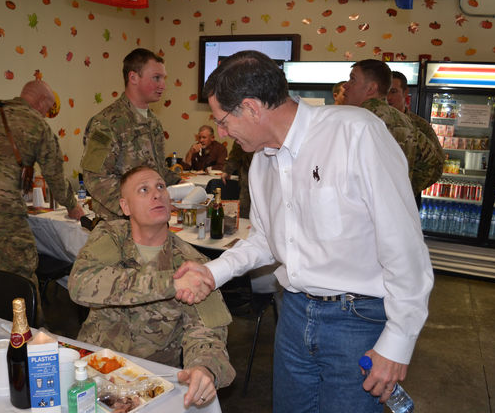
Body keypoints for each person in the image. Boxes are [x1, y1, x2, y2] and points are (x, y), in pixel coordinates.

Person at [173, 51, 434, 412]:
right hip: (294, 314)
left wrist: (398, 340)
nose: (220, 133)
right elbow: (265, 241)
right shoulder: (261, 162)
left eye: (221, 121)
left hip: (357, 321)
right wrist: (211, 272)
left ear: (250, 108)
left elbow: (404, 245)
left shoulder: (355, 133)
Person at [68, 165, 235, 407]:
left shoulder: (192, 264)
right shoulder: (111, 236)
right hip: (92, 371)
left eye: (160, 187)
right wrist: (170, 283)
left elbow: (207, 331)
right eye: (143, 190)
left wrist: (204, 368)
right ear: (125, 207)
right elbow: (80, 283)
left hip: (150, 382)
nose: (156, 194)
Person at [0, 80, 85, 286]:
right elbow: (54, 175)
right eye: (48, 108)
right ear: (41, 101)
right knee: (20, 271)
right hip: (1, 207)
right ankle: (26, 319)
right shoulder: (37, 124)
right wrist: (72, 207)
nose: (46, 114)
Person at [81, 48, 180, 220]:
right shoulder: (105, 123)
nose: (163, 85)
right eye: (156, 78)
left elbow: (157, 171)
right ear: (133, 77)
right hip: (118, 225)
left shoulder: (153, 122)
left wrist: (182, 185)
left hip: (151, 222)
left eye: (164, 78)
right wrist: (136, 207)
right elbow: (95, 179)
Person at [342, 59, 441, 195]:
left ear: (371, 88)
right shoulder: (406, 120)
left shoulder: (358, 119)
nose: (345, 86)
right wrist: (405, 190)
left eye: (352, 79)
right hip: (395, 208)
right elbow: (434, 162)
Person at [388, 70, 444, 197]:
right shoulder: (375, 121)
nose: (388, 98)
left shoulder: (419, 125)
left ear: (405, 92)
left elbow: (437, 164)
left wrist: (407, 188)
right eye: (385, 92)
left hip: (404, 198)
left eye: (393, 91)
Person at [221, 140, 253, 219]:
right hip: (247, 180)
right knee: (245, 210)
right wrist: (227, 170)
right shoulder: (242, 133)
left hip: (271, 179)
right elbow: (235, 155)